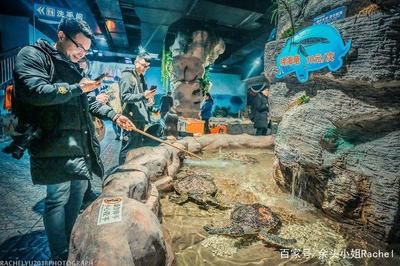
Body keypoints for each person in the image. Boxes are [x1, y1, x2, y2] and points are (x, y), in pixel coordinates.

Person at [12, 17, 135, 261]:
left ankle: (71, 242)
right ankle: (60, 254)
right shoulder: (33, 55)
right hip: (52, 144)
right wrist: (78, 88)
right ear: (61, 36)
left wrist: (114, 115)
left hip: (79, 146)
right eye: (79, 46)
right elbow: (35, 91)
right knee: (57, 199)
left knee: (77, 196)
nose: (82, 53)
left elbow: (85, 102)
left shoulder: (75, 66)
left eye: (86, 50)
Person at [119, 53, 156, 164]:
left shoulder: (140, 77)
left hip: (139, 117)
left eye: (147, 66)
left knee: (136, 148)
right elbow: (125, 96)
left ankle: (131, 170)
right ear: (136, 62)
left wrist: (148, 98)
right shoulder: (127, 76)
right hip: (131, 117)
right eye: (143, 65)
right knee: (128, 148)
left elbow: (141, 96)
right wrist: (143, 95)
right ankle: (121, 172)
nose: (145, 68)